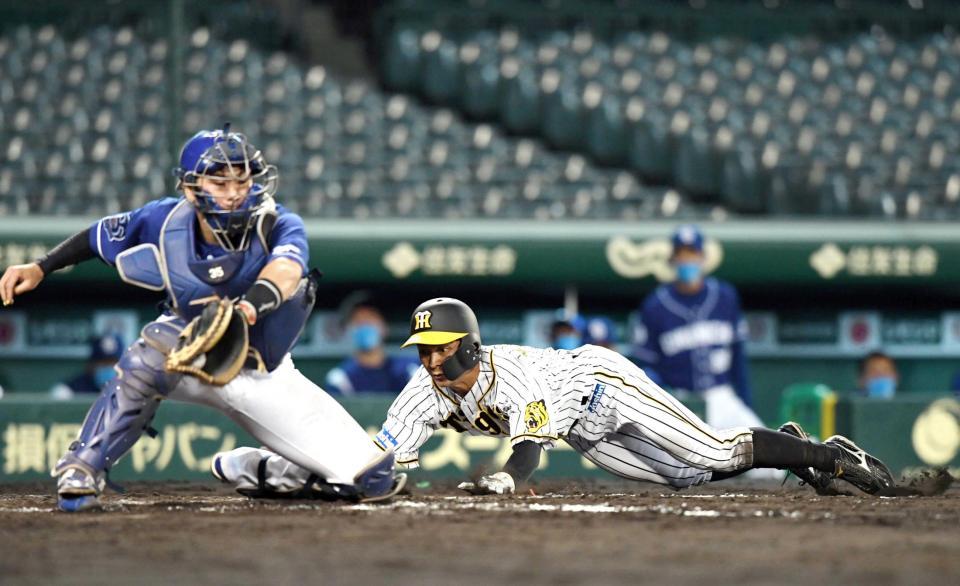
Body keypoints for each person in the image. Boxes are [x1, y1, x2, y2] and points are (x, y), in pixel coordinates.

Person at [0, 126, 404, 511]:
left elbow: (285, 271)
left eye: (242, 181)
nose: (234, 192)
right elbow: (97, 235)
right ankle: (82, 467)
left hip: (260, 370)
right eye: (220, 182)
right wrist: (42, 266)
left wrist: (247, 308)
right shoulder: (162, 221)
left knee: (371, 478)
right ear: (191, 187)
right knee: (146, 357)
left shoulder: (278, 222)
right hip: (190, 353)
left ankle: (259, 468)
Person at [213, 297, 897, 498]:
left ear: (469, 345)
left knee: (714, 451)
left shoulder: (511, 376)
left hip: (601, 385)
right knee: (690, 477)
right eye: (423, 349)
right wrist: (313, 470)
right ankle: (786, 448)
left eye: (440, 348)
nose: (429, 359)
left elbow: (528, 452)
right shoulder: (422, 392)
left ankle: (828, 456)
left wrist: (506, 482)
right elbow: (383, 456)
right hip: (581, 428)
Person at [632, 224, 760, 431]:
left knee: (762, 443)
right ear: (672, 259)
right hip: (680, 401)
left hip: (722, 397)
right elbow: (646, 366)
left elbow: (738, 357)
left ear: (703, 257)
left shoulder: (725, 296)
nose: (687, 261)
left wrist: (745, 403)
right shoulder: (655, 305)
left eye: (692, 254)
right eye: (682, 255)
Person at [325, 299, 419, 395]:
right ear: (349, 330)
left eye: (370, 319)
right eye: (358, 321)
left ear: (384, 327)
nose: (364, 325)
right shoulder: (341, 378)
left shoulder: (407, 371)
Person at [49, 333, 124, 400]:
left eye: (113, 362)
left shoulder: (128, 389)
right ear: (91, 364)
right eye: (103, 362)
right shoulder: (67, 391)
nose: (108, 366)